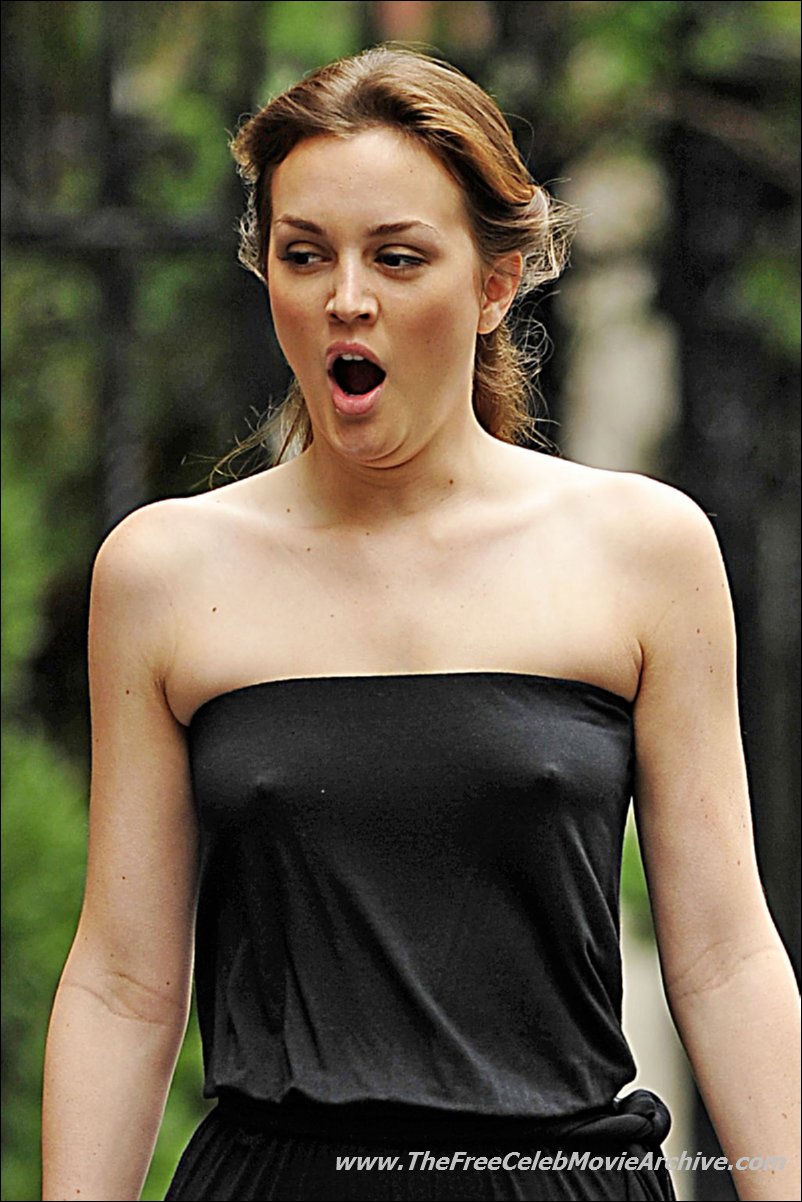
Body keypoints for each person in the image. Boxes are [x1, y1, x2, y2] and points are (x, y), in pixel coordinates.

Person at [41, 45, 799, 1202]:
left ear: (495, 285)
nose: (345, 297)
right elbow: (122, 982)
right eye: (305, 254)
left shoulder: (646, 550)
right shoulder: (162, 571)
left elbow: (726, 954)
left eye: (396, 257)